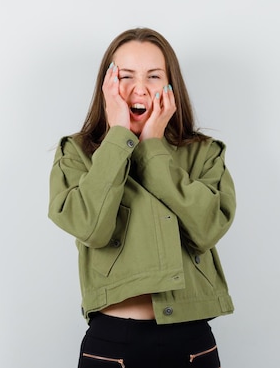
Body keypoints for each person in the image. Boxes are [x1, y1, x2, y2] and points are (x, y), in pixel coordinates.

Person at [48, 27, 236, 368]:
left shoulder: (203, 153)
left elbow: (208, 230)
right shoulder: (76, 153)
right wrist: (119, 136)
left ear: (170, 85)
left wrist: (154, 147)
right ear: (107, 86)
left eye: (153, 75)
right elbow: (91, 227)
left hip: (191, 343)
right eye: (125, 75)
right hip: (112, 344)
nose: (140, 87)